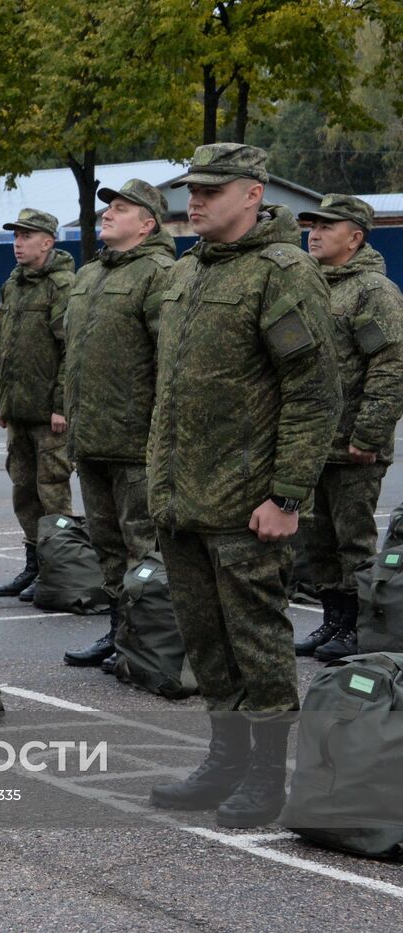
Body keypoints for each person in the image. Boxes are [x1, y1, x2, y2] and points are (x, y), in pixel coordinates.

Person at [146, 143, 339, 829]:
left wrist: (287, 495)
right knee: (205, 639)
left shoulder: (280, 272)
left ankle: (266, 773)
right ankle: (224, 759)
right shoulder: (189, 269)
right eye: (191, 190)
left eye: (212, 190)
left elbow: (314, 392)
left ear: (253, 193)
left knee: (257, 638)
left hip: (247, 503)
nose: (194, 200)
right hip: (181, 497)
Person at [60, 180, 175, 668]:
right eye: (108, 207)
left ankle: (147, 639)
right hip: (92, 439)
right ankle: (117, 629)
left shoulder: (160, 274)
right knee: (107, 546)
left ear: (147, 224)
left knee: (144, 548)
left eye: (121, 209)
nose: (108, 214)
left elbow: (169, 361)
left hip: (136, 444)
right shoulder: (89, 275)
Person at [294, 194, 403, 660]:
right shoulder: (312, 284)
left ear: (354, 238)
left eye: (326, 227)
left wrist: (369, 434)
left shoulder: (372, 290)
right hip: (313, 443)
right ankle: (332, 621)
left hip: (353, 446)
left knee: (352, 541)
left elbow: (390, 364)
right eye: (311, 226)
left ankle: (358, 627)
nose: (313, 233)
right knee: (316, 541)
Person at [0, 208, 76, 602]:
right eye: (16, 236)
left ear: (48, 241)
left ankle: (58, 568)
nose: (18, 243)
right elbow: (2, 349)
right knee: (24, 491)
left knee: (52, 492)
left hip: (48, 415)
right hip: (19, 411)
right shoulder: (13, 286)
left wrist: (61, 405)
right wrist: (1, 400)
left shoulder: (62, 285)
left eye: (27, 236)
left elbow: (70, 350)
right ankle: (34, 564)